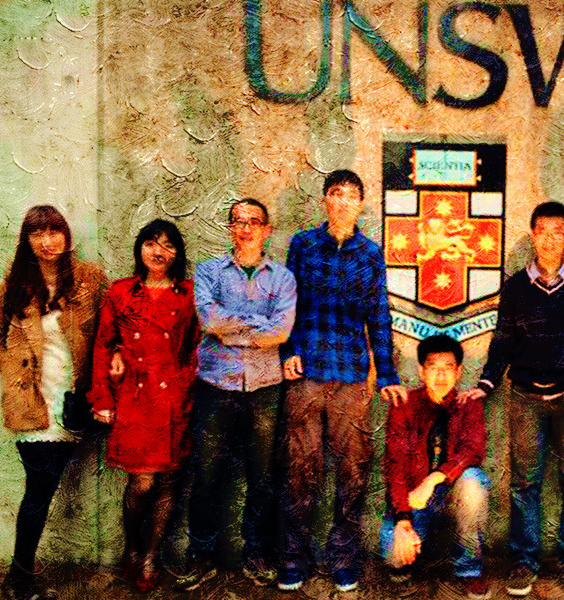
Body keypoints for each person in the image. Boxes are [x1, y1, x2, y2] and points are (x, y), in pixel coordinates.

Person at [278, 169, 406, 594]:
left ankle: (343, 558)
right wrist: (288, 350)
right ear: (325, 200)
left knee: (353, 472)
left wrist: (386, 372)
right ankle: (294, 558)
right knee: (301, 469)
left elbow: (379, 315)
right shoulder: (303, 245)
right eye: (336, 193)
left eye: (352, 194)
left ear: (361, 204)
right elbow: (288, 303)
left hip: (351, 377)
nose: (343, 201)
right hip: (307, 374)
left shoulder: (370, 253)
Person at [460, 201, 564, 598]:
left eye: (558, 232)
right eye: (542, 232)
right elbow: (503, 340)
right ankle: (524, 560)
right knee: (524, 483)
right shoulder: (517, 287)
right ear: (533, 236)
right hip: (525, 398)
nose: (550, 240)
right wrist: (487, 383)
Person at [0, 205, 107, 600]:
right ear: (27, 240)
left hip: (72, 402)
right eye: (38, 233)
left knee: (42, 489)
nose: (47, 241)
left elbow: (107, 333)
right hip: (31, 405)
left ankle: (18, 577)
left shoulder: (89, 279)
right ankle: (18, 579)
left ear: (66, 236)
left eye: (54, 231)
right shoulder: (15, 285)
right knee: (39, 489)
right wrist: (14, 373)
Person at [175, 199, 297, 592]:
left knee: (263, 476)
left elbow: (281, 331)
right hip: (215, 385)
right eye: (238, 221)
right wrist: (255, 326)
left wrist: (233, 328)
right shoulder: (209, 271)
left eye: (254, 222)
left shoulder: (283, 278)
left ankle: (257, 552)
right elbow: (208, 319)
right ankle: (202, 554)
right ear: (230, 227)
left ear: (266, 230)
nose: (245, 228)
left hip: (264, 388)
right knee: (207, 474)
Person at [89, 219, 199, 591]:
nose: (158, 251)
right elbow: (103, 345)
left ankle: (151, 557)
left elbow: (196, 345)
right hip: (135, 397)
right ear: (140, 248)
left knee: (168, 481)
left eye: (168, 245)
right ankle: (132, 548)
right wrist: (102, 397)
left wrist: (186, 384)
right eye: (151, 243)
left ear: (177, 254)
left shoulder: (188, 293)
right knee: (141, 482)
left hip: (174, 397)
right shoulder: (121, 291)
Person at [380, 334, 491, 600]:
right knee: (393, 557)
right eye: (433, 367)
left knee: (474, 482)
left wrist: (432, 480)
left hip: (451, 496)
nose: (441, 375)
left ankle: (469, 568)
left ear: (458, 371)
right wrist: (403, 520)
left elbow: (472, 451)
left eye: (448, 368)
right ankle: (409, 553)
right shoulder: (404, 405)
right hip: (415, 500)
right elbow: (394, 465)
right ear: (421, 370)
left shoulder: (468, 405)